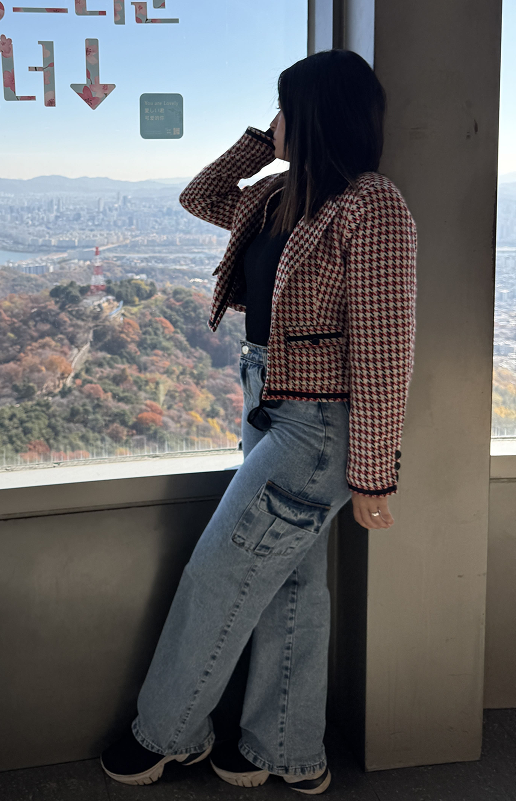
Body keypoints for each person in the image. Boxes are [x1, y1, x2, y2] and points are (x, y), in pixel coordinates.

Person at [101, 50, 417, 794]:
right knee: (291, 583)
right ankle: (287, 750)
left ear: (315, 114)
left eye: (283, 108)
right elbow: (200, 195)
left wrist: (374, 473)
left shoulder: (372, 204)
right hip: (266, 400)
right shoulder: (278, 194)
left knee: (217, 576)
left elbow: (384, 348)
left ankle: (167, 735)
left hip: (317, 426)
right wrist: (260, 143)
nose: (274, 120)